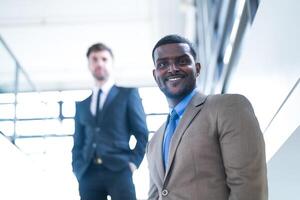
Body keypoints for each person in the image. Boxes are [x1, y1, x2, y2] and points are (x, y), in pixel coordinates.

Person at [147, 34, 268, 200]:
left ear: (197, 69)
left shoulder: (227, 107)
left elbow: (248, 188)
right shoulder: (154, 142)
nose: (172, 68)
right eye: (163, 64)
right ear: (155, 75)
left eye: (182, 61)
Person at [72, 43, 148, 200]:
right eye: (94, 59)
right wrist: (77, 168)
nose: (99, 63)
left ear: (111, 64)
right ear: (89, 65)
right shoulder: (82, 105)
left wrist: (133, 163)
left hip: (120, 170)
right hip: (87, 173)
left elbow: (142, 134)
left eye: (104, 59)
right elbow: (78, 142)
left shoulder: (128, 95)